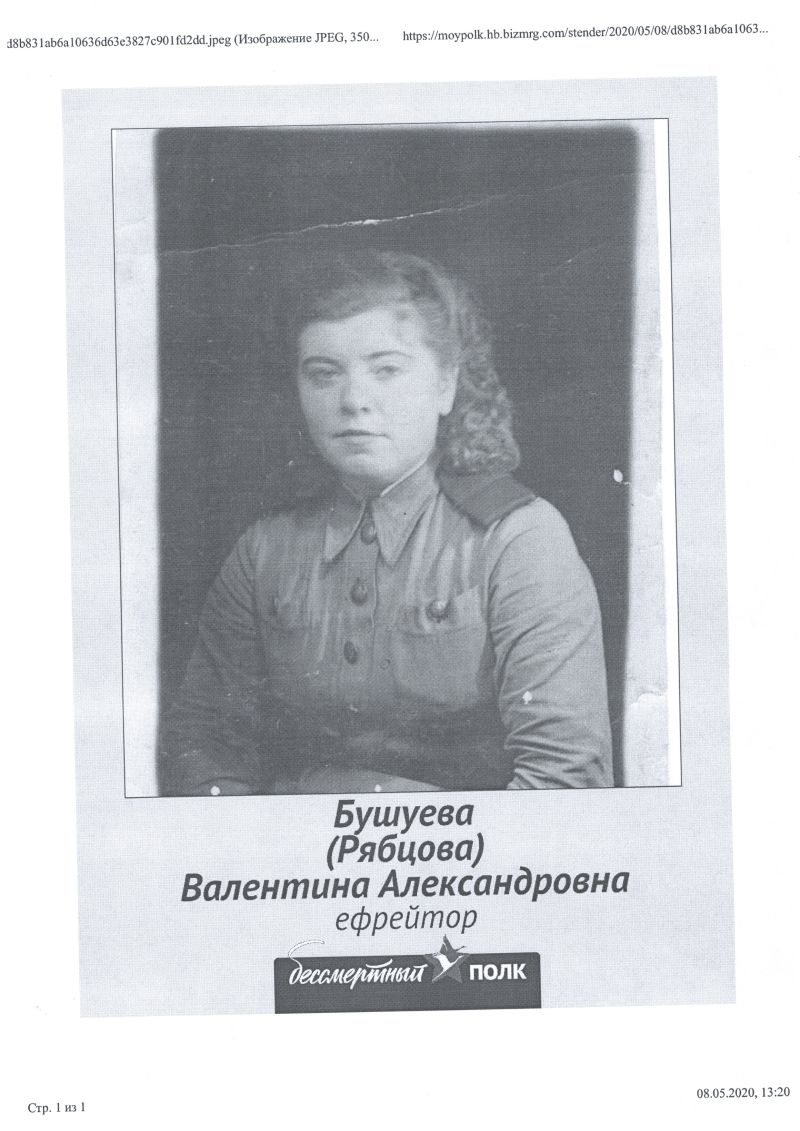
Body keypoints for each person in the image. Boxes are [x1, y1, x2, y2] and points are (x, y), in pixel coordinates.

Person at [159, 248, 613, 795]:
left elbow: (566, 777)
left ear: (446, 385)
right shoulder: (265, 551)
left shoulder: (517, 540)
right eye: (323, 374)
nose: (354, 400)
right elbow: (204, 742)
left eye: (387, 370)